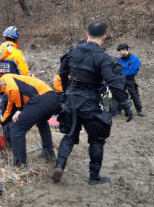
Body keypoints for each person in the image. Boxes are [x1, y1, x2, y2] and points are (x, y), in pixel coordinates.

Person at [53, 21, 133, 185]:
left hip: (71, 100)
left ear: (86, 35)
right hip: (90, 102)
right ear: (104, 37)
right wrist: (125, 103)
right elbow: (113, 82)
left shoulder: (73, 52)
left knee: (69, 135)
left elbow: (62, 72)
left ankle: (60, 165)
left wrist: (66, 91)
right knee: (96, 140)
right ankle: (94, 177)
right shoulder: (103, 57)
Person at [0, 69, 62, 167]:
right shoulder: (11, 88)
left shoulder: (4, 79)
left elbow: (15, 90)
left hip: (42, 99)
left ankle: (19, 165)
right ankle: (49, 154)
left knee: (16, 127)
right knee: (42, 122)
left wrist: (20, 109)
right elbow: (9, 110)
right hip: (52, 99)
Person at [0, 26, 31, 149]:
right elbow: (25, 75)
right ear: (16, 40)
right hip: (17, 93)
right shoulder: (17, 54)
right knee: (17, 121)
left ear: (4, 38)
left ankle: (7, 146)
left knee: (6, 119)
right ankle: (17, 149)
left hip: (4, 91)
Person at [116, 43, 146, 117]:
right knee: (119, 94)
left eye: (120, 50)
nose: (119, 52)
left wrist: (122, 71)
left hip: (129, 80)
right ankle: (118, 110)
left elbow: (132, 71)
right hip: (121, 80)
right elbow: (116, 69)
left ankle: (139, 110)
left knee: (134, 95)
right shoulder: (119, 59)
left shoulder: (134, 59)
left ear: (125, 50)